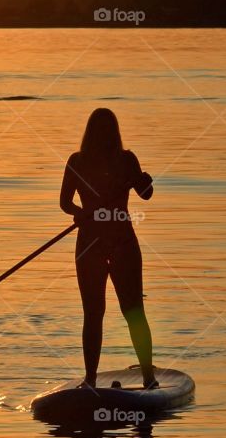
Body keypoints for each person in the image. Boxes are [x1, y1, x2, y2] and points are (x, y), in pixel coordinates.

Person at [59, 108, 156, 389]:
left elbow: (146, 195)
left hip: (122, 242)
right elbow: (65, 202)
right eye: (100, 130)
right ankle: (90, 379)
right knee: (93, 312)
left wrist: (143, 180)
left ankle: (149, 378)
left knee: (133, 310)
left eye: (107, 130)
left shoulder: (127, 160)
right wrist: (80, 213)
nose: (104, 136)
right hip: (91, 244)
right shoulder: (77, 162)